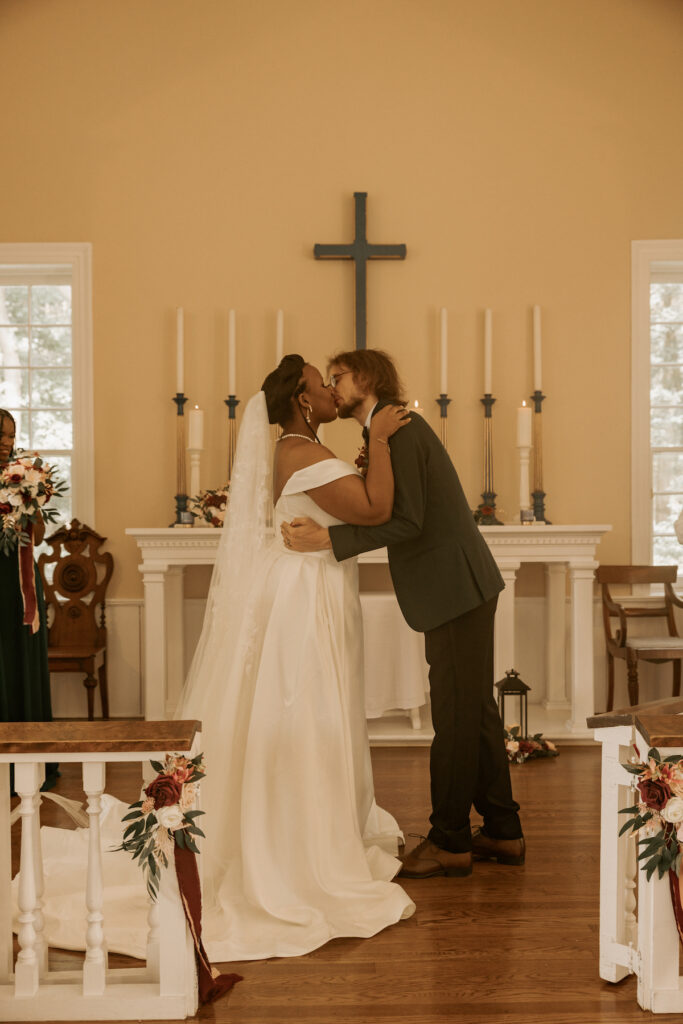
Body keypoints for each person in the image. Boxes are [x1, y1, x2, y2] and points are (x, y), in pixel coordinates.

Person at [27, 357, 414, 962]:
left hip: (313, 584)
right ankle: (291, 845)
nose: (330, 386)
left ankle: (312, 826)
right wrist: (382, 439)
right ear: (303, 399)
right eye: (321, 379)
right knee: (300, 706)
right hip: (301, 599)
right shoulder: (298, 452)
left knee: (309, 710)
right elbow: (372, 511)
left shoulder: (302, 448)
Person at [282, 349, 524, 879]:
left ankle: (450, 840)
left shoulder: (402, 431)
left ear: (365, 379)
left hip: (455, 588)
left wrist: (332, 538)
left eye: (339, 378)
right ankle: (503, 831)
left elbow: (408, 521)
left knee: (455, 719)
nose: (334, 387)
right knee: (474, 713)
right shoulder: (386, 433)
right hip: (458, 586)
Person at [0, 409, 58, 793]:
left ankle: (32, 759)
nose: (6, 441)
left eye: (11, 435)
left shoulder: (25, 475)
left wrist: (31, 500)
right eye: (0, 434)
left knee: (22, 657)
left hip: (20, 582)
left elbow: (35, 537)